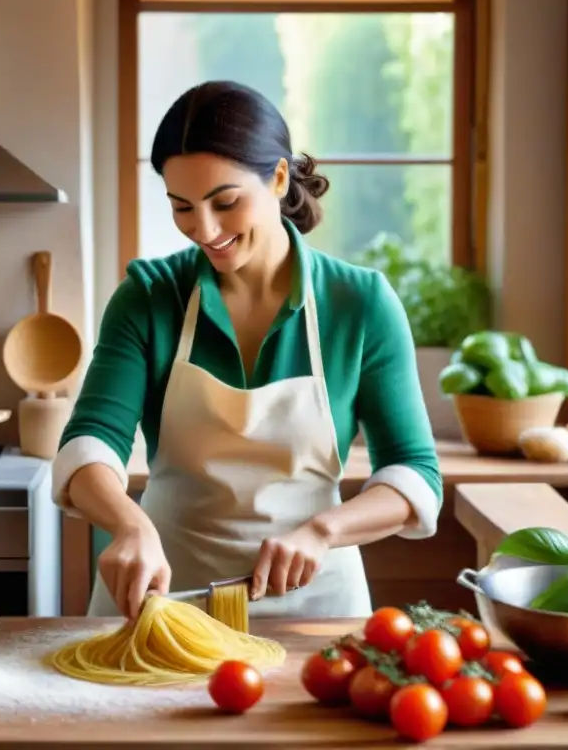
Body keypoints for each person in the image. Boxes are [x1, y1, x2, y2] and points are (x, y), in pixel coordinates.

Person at [51, 80, 443, 620]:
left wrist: (324, 531)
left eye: (226, 202)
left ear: (280, 178)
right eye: (182, 207)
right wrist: (129, 524)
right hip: (164, 598)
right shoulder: (148, 297)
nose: (205, 231)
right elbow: (90, 444)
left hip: (315, 606)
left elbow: (414, 473)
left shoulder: (360, 305)